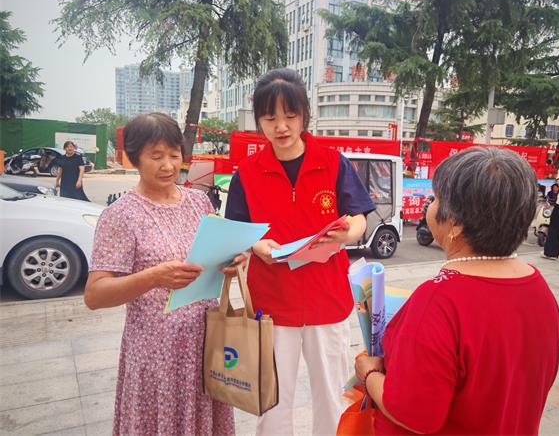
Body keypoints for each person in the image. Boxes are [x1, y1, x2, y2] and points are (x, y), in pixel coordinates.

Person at [355, 147, 559, 435]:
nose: (431, 205)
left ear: (454, 222)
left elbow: (413, 413)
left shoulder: (438, 301)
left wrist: (369, 373)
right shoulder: (539, 290)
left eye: (436, 198)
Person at [225, 68, 375, 435]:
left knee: (332, 396)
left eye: (290, 116)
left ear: (305, 114)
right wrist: (256, 245)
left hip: (327, 300)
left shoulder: (333, 162)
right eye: (270, 118)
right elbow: (237, 231)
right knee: (273, 402)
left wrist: (347, 233)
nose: (281, 126)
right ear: (258, 120)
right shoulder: (247, 172)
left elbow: (359, 217)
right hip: (272, 304)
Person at [85, 113, 242, 435]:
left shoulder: (199, 202)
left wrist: (231, 260)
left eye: (174, 154)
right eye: (156, 156)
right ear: (133, 158)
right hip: (157, 354)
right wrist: (153, 277)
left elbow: (211, 257)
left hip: (205, 343)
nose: (168, 165)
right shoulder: (120, 215)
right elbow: (95, 294)